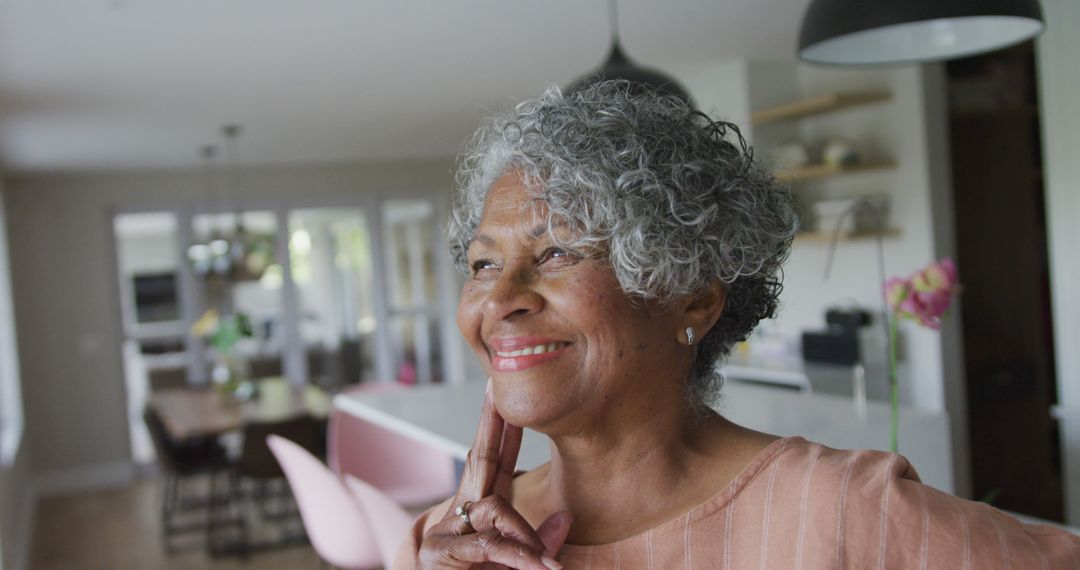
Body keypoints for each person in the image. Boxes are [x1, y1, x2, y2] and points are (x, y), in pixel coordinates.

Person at [395, 81, 1080, 569]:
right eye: (484, 264)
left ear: (692, 297)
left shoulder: (843, 516)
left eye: (558, 253)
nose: (500, 298)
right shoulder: (442, 545)